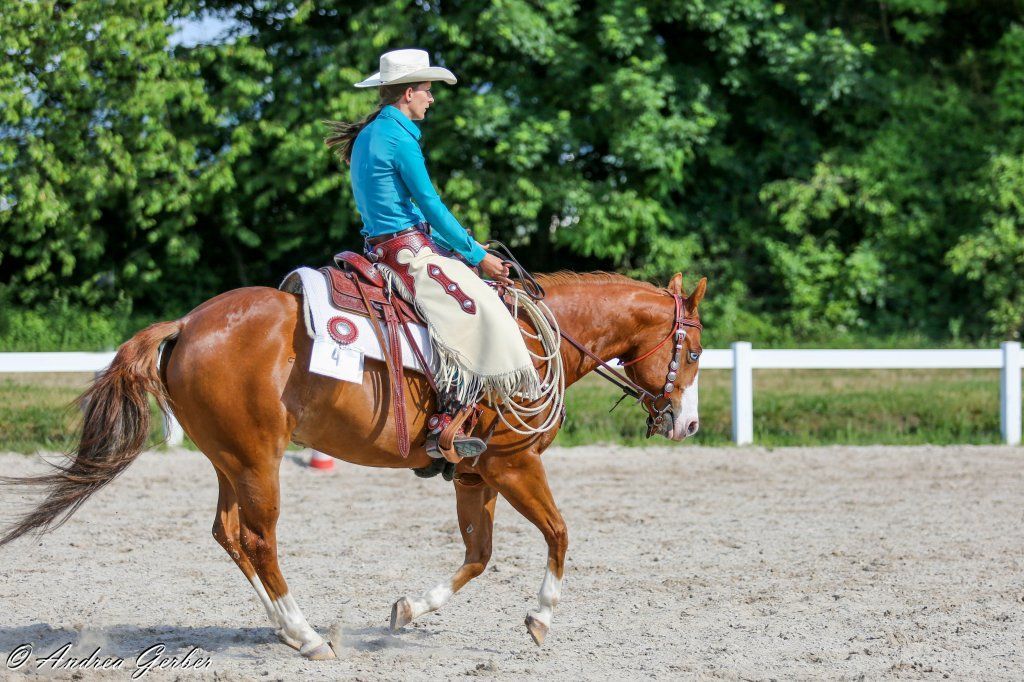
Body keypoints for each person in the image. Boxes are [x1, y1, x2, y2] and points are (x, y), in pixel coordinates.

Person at [324, 49, 539, 461]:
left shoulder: (371, 133)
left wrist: (453, 244)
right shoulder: (398, 136)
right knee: (475, 307)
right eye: (427, 90)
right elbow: (432, 203)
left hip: (383, 248)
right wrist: (476, 254)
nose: (431, 98)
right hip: (406, 252)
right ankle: (449, 418)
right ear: (408, 93)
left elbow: (412, 206)